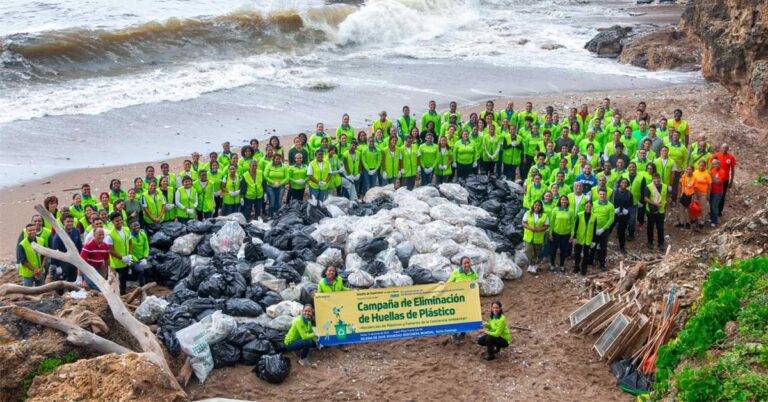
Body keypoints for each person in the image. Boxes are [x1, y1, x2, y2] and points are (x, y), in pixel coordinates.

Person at [50, 214, 82, 282]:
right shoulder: (58, 235)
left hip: (74, 263)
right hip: (62, 264)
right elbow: (55, 252)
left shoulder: (76, 232)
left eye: (72, 221)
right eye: (68, 221)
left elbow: (80, 248)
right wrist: (58, 267)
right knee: (60, 288)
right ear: (63, 222)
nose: (70, 223)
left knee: (72, 285)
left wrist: (80, 261)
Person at [107, 212, 133, 295]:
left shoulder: (126, 229)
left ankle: (123, 296)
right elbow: (110, 250)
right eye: (117, 221)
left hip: (127, 261)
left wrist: (129, 255)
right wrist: (122, 258)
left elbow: (130, 242)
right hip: (117, 264)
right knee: (117, 283)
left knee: (124, 281)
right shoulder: (110, 235)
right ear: (112, 222)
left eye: (120, 220)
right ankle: (118, 298)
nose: (119, 222)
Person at [549, 196, 574, 273]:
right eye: (562, 200)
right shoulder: (555, 210)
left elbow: (573, 223)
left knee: (563, 251)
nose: (564, 201)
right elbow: (551, 222)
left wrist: (572, 235)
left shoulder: (570, 211)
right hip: (556, 233)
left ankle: (562, 265)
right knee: (553, 250)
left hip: (566, 234)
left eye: (565, 200)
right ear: (560, 201)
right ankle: (552, 265)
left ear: (567, 201)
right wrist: (550, 234)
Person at [522, 200, 549, 274]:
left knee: (537, 252)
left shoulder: (544, 215)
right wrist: (530, 228)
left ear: (541, 207)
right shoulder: (528, 213)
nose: (537, 206)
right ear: (533, 205)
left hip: (538, 237)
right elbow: (523, 222)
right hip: (528, 236)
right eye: (536, 205)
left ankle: (533, 265)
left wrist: (539, 229)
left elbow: (546, 226)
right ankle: (531, 263)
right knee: (528, 250)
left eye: (539, 205)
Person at [592, 189, 615, 271]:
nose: (602, 196)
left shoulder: (610, 206)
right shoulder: (594, 204)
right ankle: (592, 260)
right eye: (600, 194)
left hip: (604, 230)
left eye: (603, 194)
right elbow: (592, 215)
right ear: (598, 195)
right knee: (593, 245)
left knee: (603, 247)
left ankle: (602, 263)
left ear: (606, 195)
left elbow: (611, 219)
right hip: (594, 229)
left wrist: (603, 229)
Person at [711, 144, 736, 217]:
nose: (724, 149)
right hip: (715, 179)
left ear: (728, 149)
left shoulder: (731, 157)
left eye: (726, 148)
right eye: (723, 147)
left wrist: (731, 181)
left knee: (722, 195)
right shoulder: (716, 155)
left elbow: (733, 170)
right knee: (713, 194)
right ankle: (713, 210)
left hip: (725, 180)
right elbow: (710, 163)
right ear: (720, 148)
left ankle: (719, 211)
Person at [572, 201, 596, 275]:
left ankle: (584, 269)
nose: (588, 208)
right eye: (586, 206)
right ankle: (576, 267)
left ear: (592, 207)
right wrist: (574, 237)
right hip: (579, 237)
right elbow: (575, 227)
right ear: (584, 207)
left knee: (586, 255)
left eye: (589, 206)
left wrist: (593, 240)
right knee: (577, 254)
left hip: (588, 238)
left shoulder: (594, 217)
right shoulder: (579, 215)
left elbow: (594, 229)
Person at [645, 174, 668, 251]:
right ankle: (650, 242)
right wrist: (654, 204)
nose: (657, 180)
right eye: (655, 179)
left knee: (660, 228)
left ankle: (661, 244)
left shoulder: (665, 186)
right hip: (651, 210)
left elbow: (666, 197)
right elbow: (645, 198)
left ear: (660, 179)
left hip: (661, 210)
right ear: (652, 179)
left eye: (658, 179)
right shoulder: (649, 187)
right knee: (650, 227)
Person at [611, 178, 633, 253]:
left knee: (621, 231)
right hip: (614, 213)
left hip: (624, 214)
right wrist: (613, 210)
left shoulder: (629, 193)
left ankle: (622, 247)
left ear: (627, 185)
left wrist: (627, 211)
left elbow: (631, 205)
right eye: (622, 182)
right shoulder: (614, 192)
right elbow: (610, 202)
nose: (624, 183)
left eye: (626, 183)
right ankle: (601, 244)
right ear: (620, 183)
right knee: (609, 228)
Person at [128, 219, 150, 286]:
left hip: (142, 258)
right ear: (130, 227)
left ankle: (147, 285)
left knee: (150, 268)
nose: (136, 227)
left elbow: (146, 247)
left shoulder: (142, 234)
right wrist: (137, 261)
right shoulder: (128, 237)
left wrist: (145, 257)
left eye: (137, 225)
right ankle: (142, 288)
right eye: (134, 226)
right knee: (141, 271)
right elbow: (129, 252)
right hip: (133, 260)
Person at [692, 160, 712, 229]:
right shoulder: (695, 172)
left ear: (705, 166)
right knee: (695, 207)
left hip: (703, 193)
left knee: (703, 207)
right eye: (700, 165)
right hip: (695, 193)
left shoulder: (707, 174)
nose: (701, 167)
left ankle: (702, 221)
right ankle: (695, 219)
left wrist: (708, 195)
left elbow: (709, 186)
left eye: (703, 165)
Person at [709, 159, 727, 227]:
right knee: (711, 205)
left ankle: (715, 221)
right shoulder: (712, 170)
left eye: (716, 164)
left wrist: (712, 176)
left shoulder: (722, 172)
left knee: (714, 207)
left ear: (719, 164)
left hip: (718, 192)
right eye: (713, 164)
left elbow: (718, 182)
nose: (714, 165)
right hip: (712, 191)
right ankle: (711, 219)